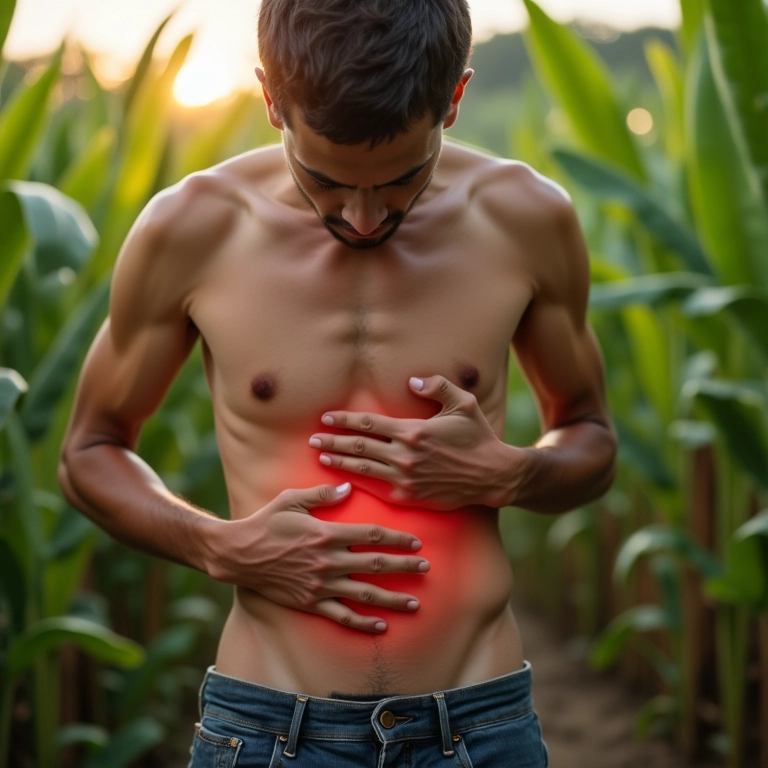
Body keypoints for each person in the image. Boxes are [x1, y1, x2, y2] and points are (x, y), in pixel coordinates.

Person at [59, 0, 617, 765]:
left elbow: (592, 437)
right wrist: (221, 547)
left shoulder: (526, 219)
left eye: (400, 180)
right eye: (324, 180)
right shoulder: (192, 228)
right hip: (268, 729)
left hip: (479, 727)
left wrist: (511, 471)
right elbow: (89, 449)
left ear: (453, 101)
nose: (360, 218)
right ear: (269, 99)